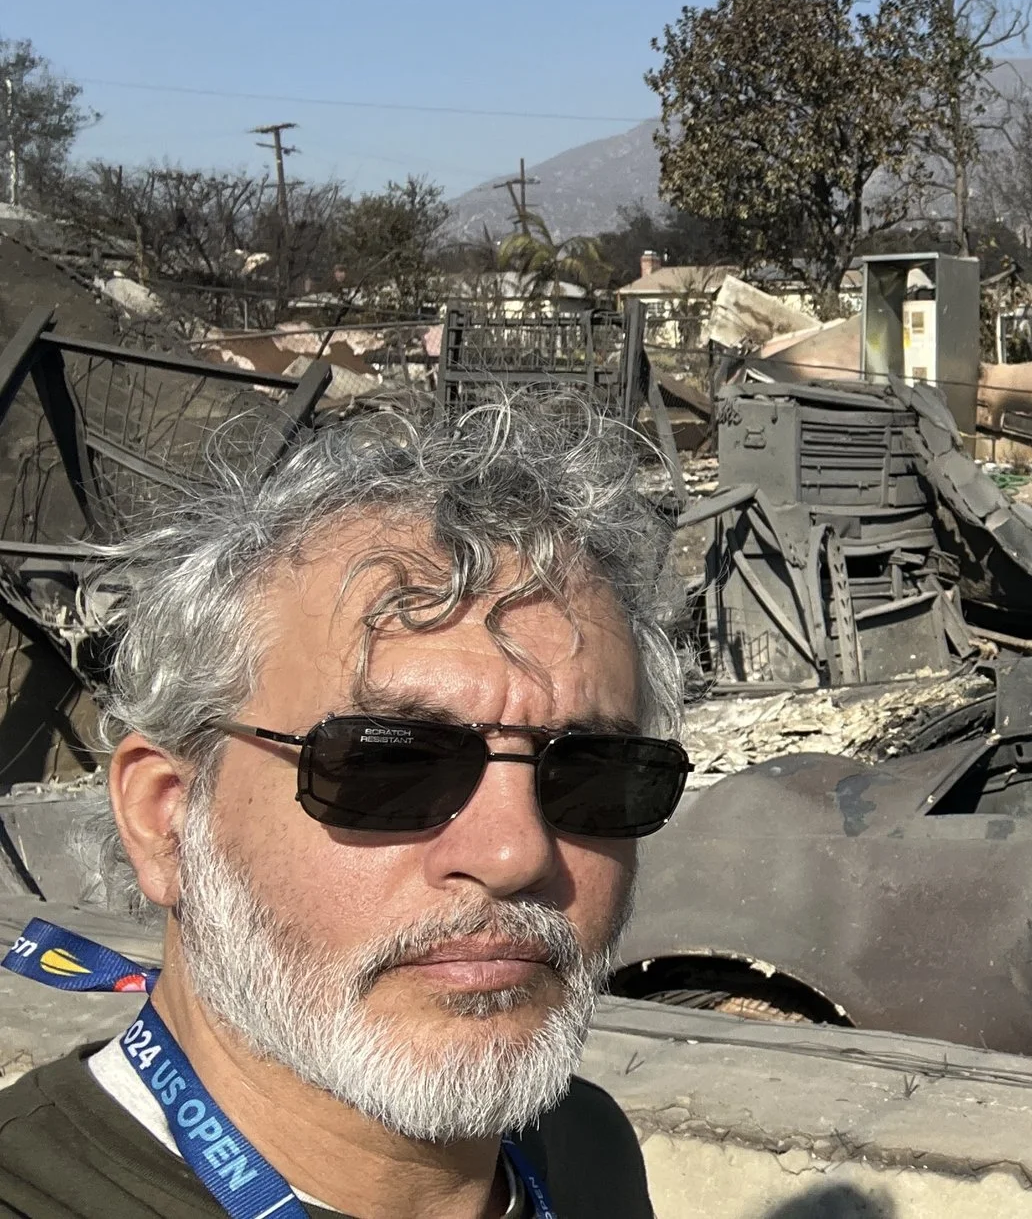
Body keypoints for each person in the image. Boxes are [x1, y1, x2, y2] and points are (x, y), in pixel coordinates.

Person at [0, 395, 686, 1218]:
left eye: (592, 772)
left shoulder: (585, 1150)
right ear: (167, 816)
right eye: (387, 765)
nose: (516, 853)